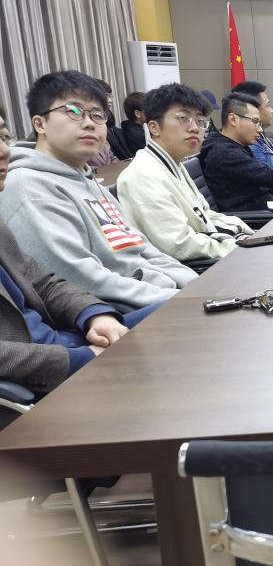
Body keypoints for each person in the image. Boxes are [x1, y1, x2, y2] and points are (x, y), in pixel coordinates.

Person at [0, 71, 195, 312]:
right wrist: (183, 300)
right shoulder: (27, 186)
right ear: (40, 124)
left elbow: (144, 249)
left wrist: (197, 286)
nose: (89, 123)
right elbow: (80, 280)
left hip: (161, 295)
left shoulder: (89, 181)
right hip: (118, 314)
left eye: (98, 114)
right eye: (73, 111)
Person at [0, 108, 161, 392]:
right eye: (74, 112)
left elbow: (43, 282)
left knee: (188, 311)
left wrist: (92, 314)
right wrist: (81, 358)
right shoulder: (25, 186)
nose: (4, 151)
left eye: (3, 137)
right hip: (47, 374)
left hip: (72, 337)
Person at [116, 83, 254, 263]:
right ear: (154, 127)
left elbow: (204, 215)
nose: (195, 128)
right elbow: (178, 244)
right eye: (183, 118)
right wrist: (240, 246)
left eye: (200, 120)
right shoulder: (141, 176)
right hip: (195, 271)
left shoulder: (174, 163)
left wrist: (248, 235)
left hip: (214, 252)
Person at [233, 80, 273, 170]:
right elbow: (269, 177)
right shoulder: (252, 146)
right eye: (268, 106)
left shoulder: (261, 137)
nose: (272, 110)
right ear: (253, 109)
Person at [115, 91, 148, 158]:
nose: (151, 111)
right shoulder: (137, 134)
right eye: (147, 109)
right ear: (137, 114)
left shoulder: (128, 127)